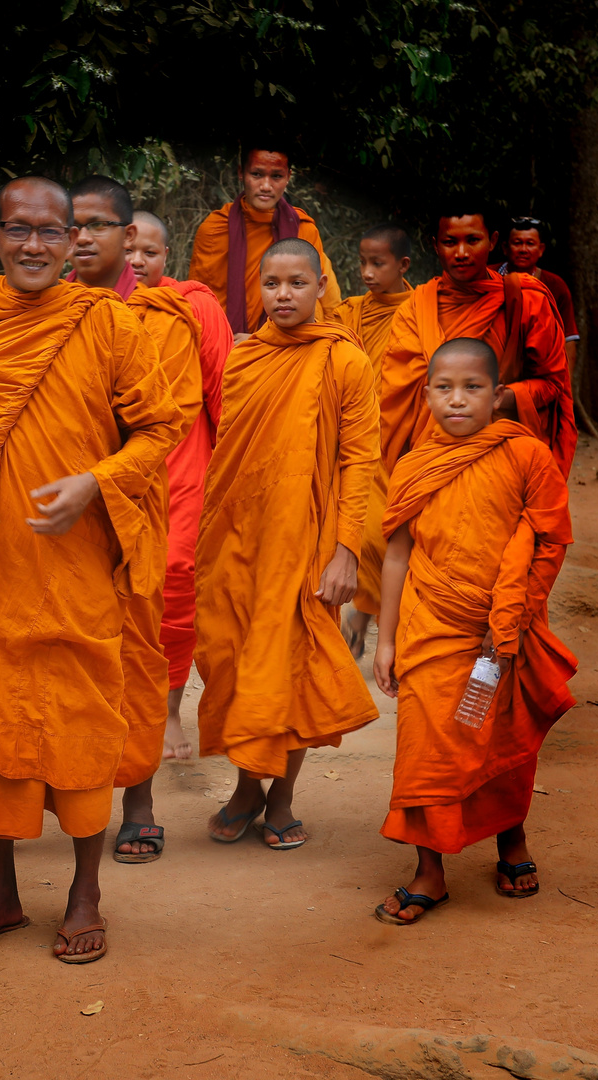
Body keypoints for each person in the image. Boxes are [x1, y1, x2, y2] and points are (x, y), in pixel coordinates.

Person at [0, 176, 184, 960]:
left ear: (72, 243)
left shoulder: (110, 325)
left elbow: (159, 431)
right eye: (17, 232)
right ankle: (0, 896)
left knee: (79, 730)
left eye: (50, 233)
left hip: (79, 566)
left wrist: (96, 481)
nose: (33, 246)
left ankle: (85, 894)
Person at [371, 337, 576, 924]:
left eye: (472, 388)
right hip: (432, 629)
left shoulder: (527, 455)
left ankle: (511, 840)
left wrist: (515, 618)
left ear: (496, 394)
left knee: (497, 739)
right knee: (424, 747)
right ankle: (428, 870)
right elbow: (396, 556)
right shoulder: (415, 465)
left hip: (500, 634)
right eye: (443, 388)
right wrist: (384, 640)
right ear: (426, 392)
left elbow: (549, 540)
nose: (456, 400)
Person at [193, 238, 380, 851]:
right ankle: (250, 787)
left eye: (297, 283)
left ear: (321, 287)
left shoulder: (344, 361)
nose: (283, 296)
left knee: (290, 668)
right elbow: (229, 454)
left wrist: (346, 551)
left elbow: (360, 461)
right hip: (238, 540)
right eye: (271, 284)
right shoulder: (244, 358)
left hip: (307, 542)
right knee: (236, 657)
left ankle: (277, 796)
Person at [66, 178, 204, 864]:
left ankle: (139, 805)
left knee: (134, 663)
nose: (83, 236)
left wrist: (93, 476)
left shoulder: (163, 321)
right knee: (30, 666)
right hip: (42, 524)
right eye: (73, 224)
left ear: (128, 239)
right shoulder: (25, 314)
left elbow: (165, 425)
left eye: (99, 224)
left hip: (125, 520)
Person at [127, 210, 232, 762]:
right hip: (105, 471)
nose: (138, 262)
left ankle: (167, 708)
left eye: (151, 252)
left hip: (184, 466)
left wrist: (230, 475)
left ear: (169, 258)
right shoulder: (80, 302)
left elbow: (223, 392)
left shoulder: (194, 305)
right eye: (130, 251)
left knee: (174, 578)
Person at [378, 209, 576, 483]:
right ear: (435, 245)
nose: (461, 253)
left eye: (473, 240)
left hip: (503, 459)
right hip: (430, 460)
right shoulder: (415, 309)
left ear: (493, 241)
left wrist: (495, 398)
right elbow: (396, 401)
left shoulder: (526, 301)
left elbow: (552, 384)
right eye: (450, 242)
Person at [333, 224, 415, 658]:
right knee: (359, 531)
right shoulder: (352, 311)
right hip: (355, 436)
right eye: (363, 262)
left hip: (401, 439)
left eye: (377, 264)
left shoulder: (420, 312)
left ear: (402, 265)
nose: (366, 272)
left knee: (383, 537)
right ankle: (362, 621)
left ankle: (366, 623)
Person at [189, 140, 341, 339]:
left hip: (289, 346)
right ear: (241, 173)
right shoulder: (215, 230)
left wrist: (260, 340)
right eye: (257, 174)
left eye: (276, 176)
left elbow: (322, 301)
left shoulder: (303, 229)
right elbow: (201, 305)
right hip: (226, 345)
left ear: (288, 177)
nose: (266, 186)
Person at [495, 216, 579, 376]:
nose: (523, 250)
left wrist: (565, 389)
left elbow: (568, 340)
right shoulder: (487, 278)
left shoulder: (555, 286)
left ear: (541, 250)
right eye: (517, 243)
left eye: (530, 244)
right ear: (505, 248)